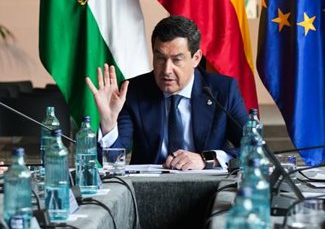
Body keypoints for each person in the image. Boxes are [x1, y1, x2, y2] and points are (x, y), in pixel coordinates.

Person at [86, 15, 246, 170]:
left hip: (209, 184)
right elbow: (113, 161)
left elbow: (254, 148)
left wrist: (208, 159)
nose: (167, 70)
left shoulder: (223, 90)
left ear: (196, 58)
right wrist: (109, 123)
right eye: (160, 58)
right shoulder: (133, 91)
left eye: (177, 60)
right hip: (147, 185)